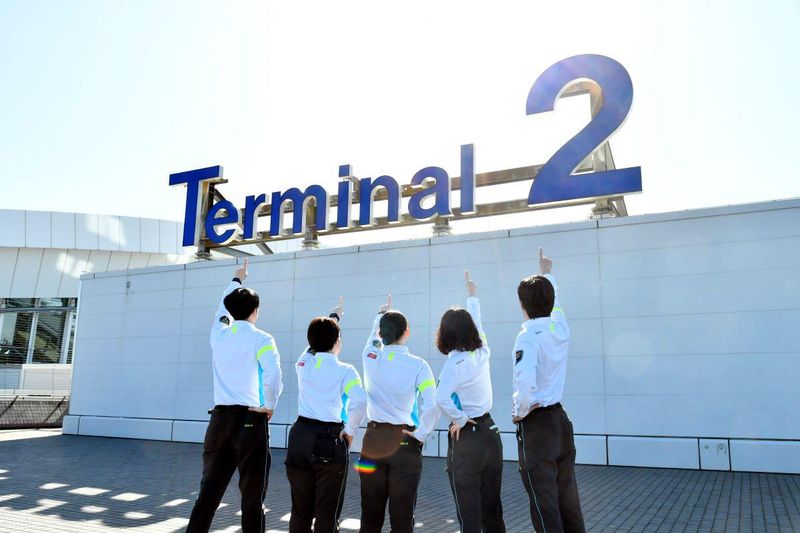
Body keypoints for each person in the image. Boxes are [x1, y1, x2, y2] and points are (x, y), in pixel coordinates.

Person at [186, 258, 283, 533]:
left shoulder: (219, 334)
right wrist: (269, 405)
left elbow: (222, 308)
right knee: (252, 497)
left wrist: (237, 279)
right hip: (250, 420)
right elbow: (273, 374)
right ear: (256, 311)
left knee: (208, 493)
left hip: (219, 422)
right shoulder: (262, 339)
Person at [512, 248, 585, 533]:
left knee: (544, 504)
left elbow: (524, 382)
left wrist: (520, 411)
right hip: (561, 422)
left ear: (522, 304)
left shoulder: (527, 337)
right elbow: (557, 306)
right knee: (568, 498)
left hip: (537, 426)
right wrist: (547, 274)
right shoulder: (560, 329)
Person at [357, 295, 439, 533]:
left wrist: (379, 316)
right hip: (404, 441)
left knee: (370, 515)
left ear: (381, 333)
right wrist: (421, 434)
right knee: (402, 517)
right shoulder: (419, 365)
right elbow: (432, 405)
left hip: (373, 441)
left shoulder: (370, 357)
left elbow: (372, 339)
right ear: (407, 332)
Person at [285, 297, 367, 533]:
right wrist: (349, 432)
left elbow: (312, 345)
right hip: (330, 437)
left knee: (300, 510)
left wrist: (333, 318)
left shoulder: (303, 364)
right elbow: (360, 401)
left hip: (300, 435)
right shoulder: (345, 370)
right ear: (337, 340)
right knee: (326, 511)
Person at [435, 270, 506, 533]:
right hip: (491, 433)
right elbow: (478, 323)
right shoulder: (483, 352)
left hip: (467, 437)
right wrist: (472, 296)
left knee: (469, 515)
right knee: (493, 509)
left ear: (445, 334)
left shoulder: (454, 364)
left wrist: (461, 419)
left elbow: (440, 397)